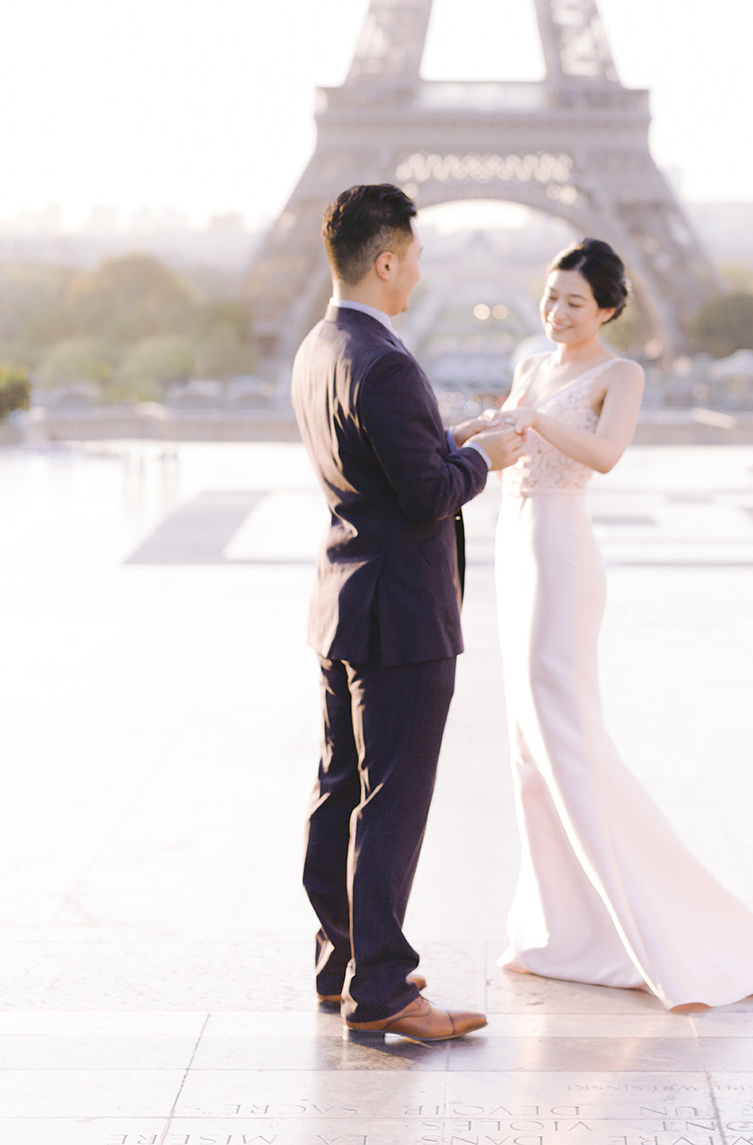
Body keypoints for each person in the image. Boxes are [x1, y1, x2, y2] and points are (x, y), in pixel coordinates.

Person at [480, 237, 753, 1010]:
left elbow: (605, 454)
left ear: (610, 310)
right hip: (513, 548)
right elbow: (511, 445)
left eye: (574, 303)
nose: (557, 313)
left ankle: (644, 923)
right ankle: (559, 931)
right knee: (528, 742)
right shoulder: (532, 365)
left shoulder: (620, 373)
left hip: (561, 549)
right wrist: (474, 433)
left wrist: (531, 419)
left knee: (562, 725)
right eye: (551, 297)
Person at [290, 182, 525, 1041]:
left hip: (343, 600)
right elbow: (426, 494)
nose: (421, 268)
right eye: (416, 254)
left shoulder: (322, 346)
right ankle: (383, 990)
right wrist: (485, 456)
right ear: (386, 260)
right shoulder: (386, 360)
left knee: (339, 786)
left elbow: (378, 465)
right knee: (392, 798)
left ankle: (343, 957)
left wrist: (448, 439)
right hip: (402, 613)